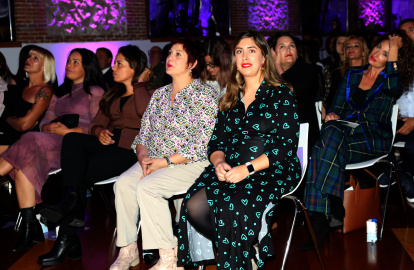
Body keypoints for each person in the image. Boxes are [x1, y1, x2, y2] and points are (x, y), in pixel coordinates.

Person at [177, 30, 301, 270]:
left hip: (270, 168)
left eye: (252, 50)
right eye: (239, 51)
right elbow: (216, 143)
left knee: (232, 202)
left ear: (264, 57)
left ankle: (243, 249)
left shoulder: (281, 94)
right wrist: (219, 163)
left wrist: (248, 169)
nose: (245, 55)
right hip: (231, 168)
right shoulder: (229, 98)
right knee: (191, 204)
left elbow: (286, 147)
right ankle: (245, 245)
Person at [107, 39, 217, 270]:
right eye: (170, 53)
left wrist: (165, 162)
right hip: (156, 159)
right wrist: (144, 158)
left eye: (178, 54)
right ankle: (128, 250)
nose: (170, 58)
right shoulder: (159, 95)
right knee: (124, 184)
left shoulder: (204, 95)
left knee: (148, 188)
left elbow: (202, 144)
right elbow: (143, 135)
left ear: (192, 63)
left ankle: (169, 257)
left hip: (190, 162)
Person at [38, 45, 152, 266]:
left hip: (132, 148)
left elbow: (145, 114)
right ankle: (71, 201)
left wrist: (139, 84)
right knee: (72, 140)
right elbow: (96, 123)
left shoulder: (149, 92)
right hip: (108, 141)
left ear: (134, 68)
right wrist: (99, 132)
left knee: (73, 175)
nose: (113, 67)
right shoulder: (112, 93)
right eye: (114, 63)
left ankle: (67, 235)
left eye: (119, 63)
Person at [301, 31, 414, 250]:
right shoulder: (352, 74)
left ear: (394, 59)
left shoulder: (392, 80)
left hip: (372, 139)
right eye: (377, 47)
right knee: (329, 134)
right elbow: (337, 106)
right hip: (344, 134)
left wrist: (395, 48)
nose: (376, 54)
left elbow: (392, 87)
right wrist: (332, 114)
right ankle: (329, 211)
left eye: (386, 53)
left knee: (320, 148)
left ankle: (322, 215)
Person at [0, 48, 105, 253]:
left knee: (28, 140)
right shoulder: (60, 93)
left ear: (87, 67)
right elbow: (44, 121)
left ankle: (30, 228)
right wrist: (48, 127)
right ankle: (30, 228)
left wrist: (68, 131)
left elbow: (97, 125)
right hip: (48, 142)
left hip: (75, 146)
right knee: (24, 159)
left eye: (76, 62)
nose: (69, 65)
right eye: (68, 61)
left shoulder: (95, 92)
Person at [380, 18, 414, 202]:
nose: (405, 36)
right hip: (396, 120)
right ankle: (399, 172)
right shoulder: (392, 62)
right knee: (376, 134)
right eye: (402, 33)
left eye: (410, 30)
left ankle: (402, 173)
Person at [268, 32, 321, 152]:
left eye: (291, 46)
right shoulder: (267, 76)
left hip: (302, 135)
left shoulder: (308, 71)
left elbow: (291, 93)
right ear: (273, 53)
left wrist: (277, 65)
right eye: (282, 46)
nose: (288, 49)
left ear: (297, 53)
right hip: (273, 134)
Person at [0, 46, 55, 154]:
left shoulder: (45, 91)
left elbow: (25, 125)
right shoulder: (18, 88)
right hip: (8, 136)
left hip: (27, 141)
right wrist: (13, 120)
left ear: (44, 67)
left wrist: (8, 119)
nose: (28, 59)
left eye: (35, 58)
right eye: (29, 56)